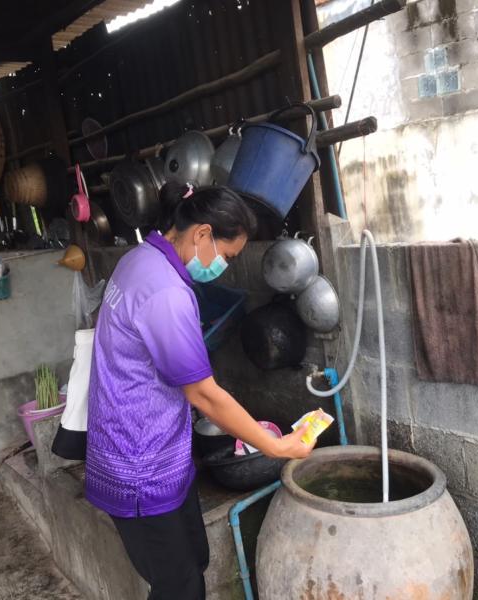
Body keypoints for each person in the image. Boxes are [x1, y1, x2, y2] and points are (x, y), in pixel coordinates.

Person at [85, 182, 314, 599]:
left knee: (194, 562)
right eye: (228, 256)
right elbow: (203, 395)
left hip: (148, 447)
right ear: (203, 233)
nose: (224, 266)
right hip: (140, 464)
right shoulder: (166, 292)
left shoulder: (138, 259)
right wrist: (276, 446)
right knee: (181, 586)